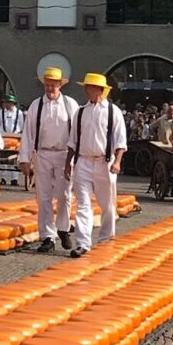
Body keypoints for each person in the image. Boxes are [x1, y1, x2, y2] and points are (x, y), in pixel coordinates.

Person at [64, 73, 127, 258]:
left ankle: (106, 239)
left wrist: (117, 161)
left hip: (104, 162)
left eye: (89, 87)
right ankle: (83, 243)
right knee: (83, 203)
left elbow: (120, 140)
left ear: (100, 90)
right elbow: (72, 140)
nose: (86, 90)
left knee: (107, 204)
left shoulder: (112, 111)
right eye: (86, 86)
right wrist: (68, 163)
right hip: (83, 161)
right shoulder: (81, 112)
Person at [19, 67, 79, 253]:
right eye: (47, 85)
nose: (50, 88)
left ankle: (63, 228)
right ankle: (47, 237)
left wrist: (76, 156)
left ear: (60, 85)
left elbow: (77, 132)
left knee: (65, 195)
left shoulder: (71, 105)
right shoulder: (36, 106)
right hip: (42, 153)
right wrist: (24, 158)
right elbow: (27, 134)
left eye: (53, 85)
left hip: (64, 154)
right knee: (43, 197)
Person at [0, 94, 24, 186]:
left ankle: (14, 179)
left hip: (15, 137)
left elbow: (21, 125)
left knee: (14, 159)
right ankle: (3, 178)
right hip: (3, 137)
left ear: (13, 103)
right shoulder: (1, 112)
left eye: (9, 103)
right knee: (3, 158)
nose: (7, 104)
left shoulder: (19, 113)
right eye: (6, 103)